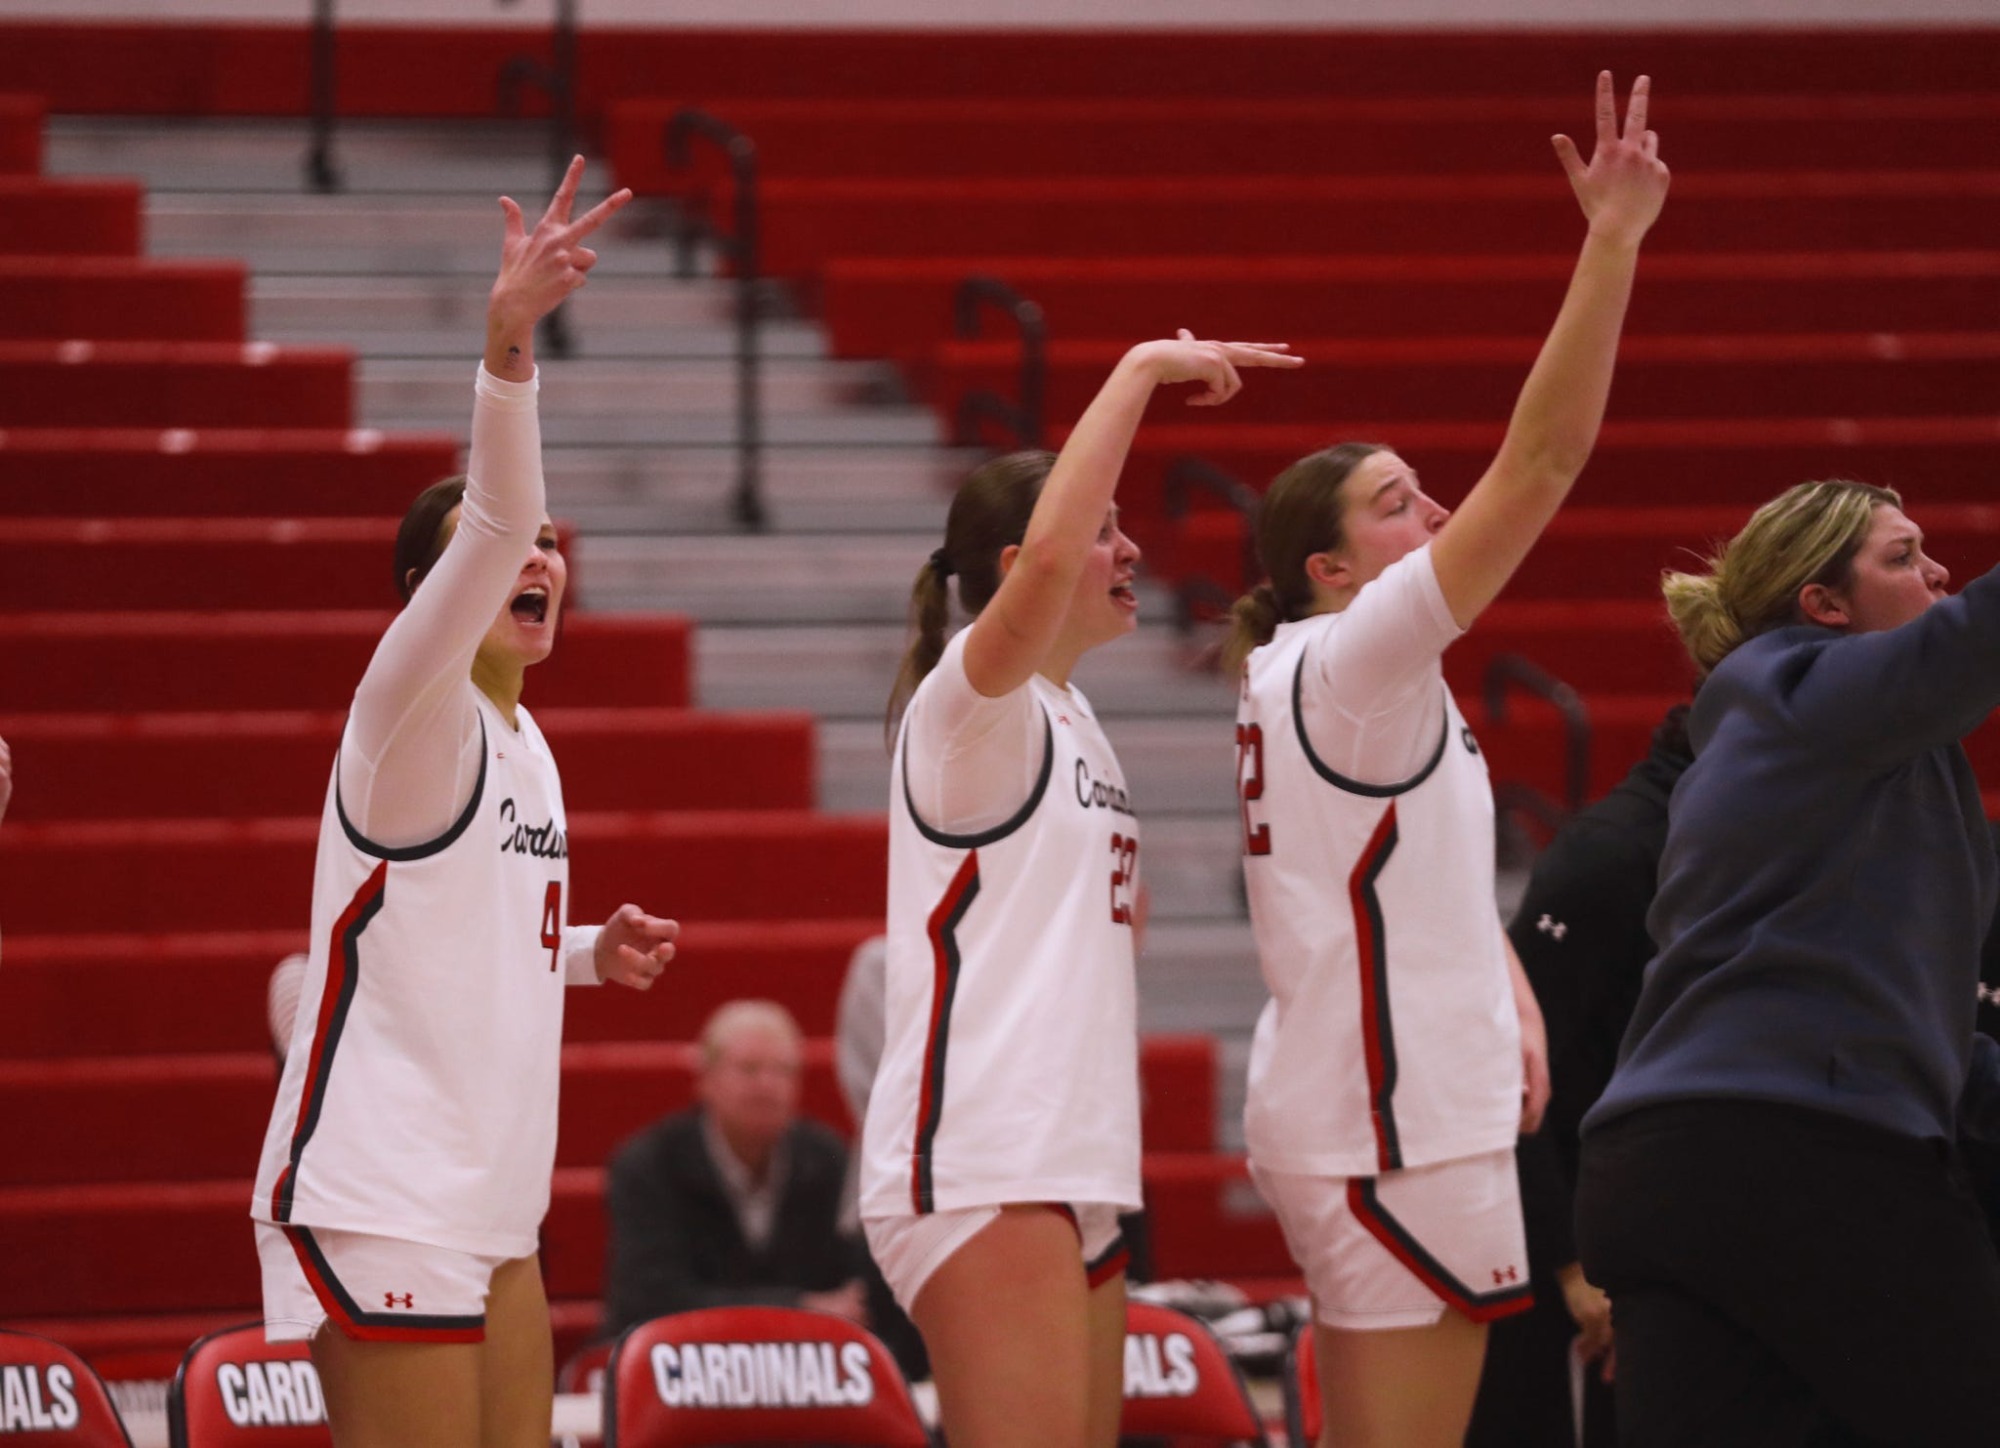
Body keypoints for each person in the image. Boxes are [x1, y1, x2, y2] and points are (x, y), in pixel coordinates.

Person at [1223, 73, 1669, 1448]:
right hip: (1394, 1132)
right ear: (1328, 567)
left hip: (1387, 1112)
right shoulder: (1350, 657)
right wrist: (1612, 243)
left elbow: (1394, 883)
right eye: (1394, 501)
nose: (1431, 512)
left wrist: (1503, 992)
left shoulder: (1339, 681)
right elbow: (1539, 461)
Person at [247, 159, 679, 1448]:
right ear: (425, 595)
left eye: (556, 549)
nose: (540, 555)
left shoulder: (524, 739)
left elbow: (473, 927)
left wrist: (593, 951)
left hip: (496, 1195)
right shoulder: (406, 707)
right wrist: (508, 339)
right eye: (513, 546)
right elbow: (495, 513)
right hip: (390, 1186)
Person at [861, 331, 1300, 1448]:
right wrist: (1142, 369)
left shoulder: (1071, 715)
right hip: (985, 1150)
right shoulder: (967, 705)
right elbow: (1058, 552)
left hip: (1074, 1151)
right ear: (1019, 566)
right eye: (1102, 527)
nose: (1128, 546)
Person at [1574, 480, 2000, 1446]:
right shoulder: (1805, 684)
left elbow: (1891, 1014)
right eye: (1903, 557)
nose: (1939, 572)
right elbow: (1974, 635)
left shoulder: (1805, 749)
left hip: (1663, 1176)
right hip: (1802, 1161)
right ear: (1824, 606)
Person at [1465, 704, 1692, 1448]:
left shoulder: (1736, 850)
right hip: (1574, 1252)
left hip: (1666, 1240)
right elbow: (1515, 1069)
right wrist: (1568, 1261)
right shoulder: (1612, 855)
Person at [601, 1000, 869, 1333]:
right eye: (749, 1068)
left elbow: (853, 1290)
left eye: (783, 1070)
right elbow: (647, 1299)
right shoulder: (649, 1163)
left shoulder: (828, 1158)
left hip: (801, 1369)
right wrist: (798, 1307)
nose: (766, 1085)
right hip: (679, 1365)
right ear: (705, 1079)